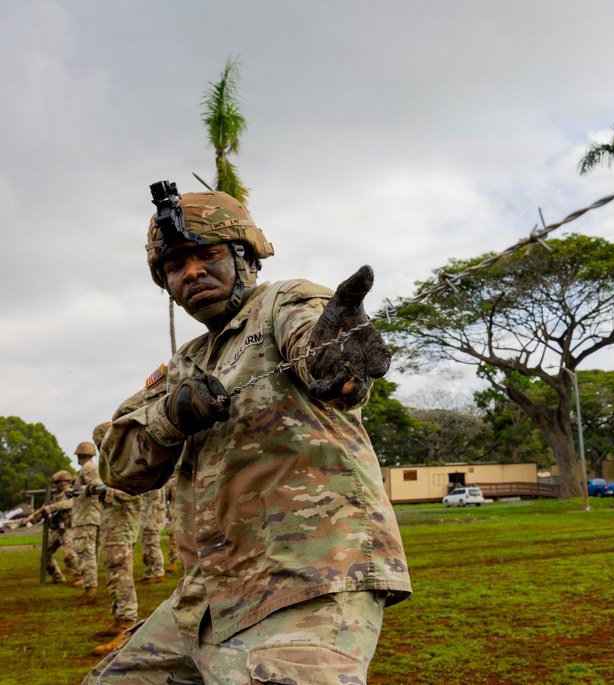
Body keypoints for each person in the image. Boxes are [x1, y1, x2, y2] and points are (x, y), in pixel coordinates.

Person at [86, 186, 410, 684]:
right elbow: (118, 466)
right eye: (174, 266)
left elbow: (317, 347)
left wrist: (333, 354)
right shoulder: (182, 365)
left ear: (245, 259)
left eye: (208, 254)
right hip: (205, 601)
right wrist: (169, 417)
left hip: (307, 580)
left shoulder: (283, 303)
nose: (191, 272)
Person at [90, 421, 143, 657]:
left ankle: (127, 623)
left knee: (121, 574)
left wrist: (103, 490)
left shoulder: (128, 460)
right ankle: (119, 618)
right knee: (114, 573)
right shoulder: (113, 462)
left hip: (122, 529)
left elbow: (135, 490)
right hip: (113, 529)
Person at [23, 469, 78, 584]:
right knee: (45, 556)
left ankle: (79, 578)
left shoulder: (71, 494)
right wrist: (29, 520)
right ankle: (57, 577)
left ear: (66, 481)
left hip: (68, 529)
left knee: (69, 555)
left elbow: (66, 504)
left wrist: (51, 508)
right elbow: (42, 513)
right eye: (56, 483)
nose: (57, 485)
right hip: (56, 529)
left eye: (59, 482)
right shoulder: (53, 497)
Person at [69, 441, 103, 605]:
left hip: (86, 518)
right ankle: (90, 589)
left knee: (86, 555)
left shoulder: (88, 468)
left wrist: (80, 490)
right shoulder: (89, 468)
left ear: (79, 454)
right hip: (90, 517)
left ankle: (90, 591)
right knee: (89, 555)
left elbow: (96, 486)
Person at [137, 487, 167, 585]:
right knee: (147, 547)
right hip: (147, 518)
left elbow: (155, 503)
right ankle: (149, 573)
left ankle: (158, 574)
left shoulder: (156, 482)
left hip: (152, 520)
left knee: (153, 546)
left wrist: (150, 521)